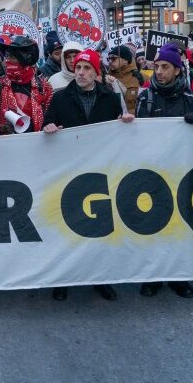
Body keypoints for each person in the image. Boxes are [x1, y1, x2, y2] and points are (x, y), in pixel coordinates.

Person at [44, 48, 134, 302]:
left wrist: (125, 122)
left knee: (99, 228)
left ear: (96, 72)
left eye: (86, 68)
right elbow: (47, 124)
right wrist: (48, 127)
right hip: (69, 172)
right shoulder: (60, 98)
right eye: (78, 68)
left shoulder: (110, 97)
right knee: (67, 228)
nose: (81, 72)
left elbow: (120, 124)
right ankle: (63, 279)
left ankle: (100, 278)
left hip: (100, 173)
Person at [136, 43, 193, 299]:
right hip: (153, 171)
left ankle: (178, 276)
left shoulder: (192, 100)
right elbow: (138, 134)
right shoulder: (146, 98)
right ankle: (153, 276)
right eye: (157, 66)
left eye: (165, 67)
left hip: (182, 172)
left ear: (177, 70)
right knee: (153, 224)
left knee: (179, 226)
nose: (159, 72)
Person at [0, 36, 53, 134]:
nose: (7, 61)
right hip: (6, 142)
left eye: (12, 57)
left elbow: (52, 119)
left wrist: (49, 127)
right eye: (7, 56)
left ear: (25, 59)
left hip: (37, 142)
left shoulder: (44, 88)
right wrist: (0, 129)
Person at [106, 45, 143, 113]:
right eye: (108, 59)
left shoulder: (140, 77)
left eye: (113, 58)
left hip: (134, 118)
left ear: (126, 60)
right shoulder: (106, 78)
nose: (110, 61)